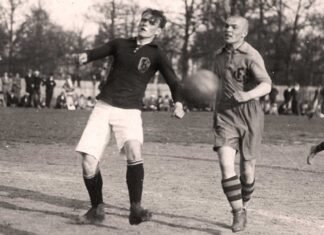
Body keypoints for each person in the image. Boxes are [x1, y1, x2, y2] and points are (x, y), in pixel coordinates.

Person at [73, 8, 185, 225]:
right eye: (143, 20)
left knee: (134, 151)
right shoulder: (120, 44)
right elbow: (97, 51)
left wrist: (178, 103)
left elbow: (173, 81)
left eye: (152, 22)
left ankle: (135, 208)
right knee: (88, 162)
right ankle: (97, 208)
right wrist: (85, 56)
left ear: (158, 30)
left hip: (130, 111)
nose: (145, 24)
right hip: (104, 107)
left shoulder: (157, 55)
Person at [212, 16, 272, 232]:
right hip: (225, 116)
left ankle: (244, 205)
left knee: (247, 171)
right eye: (226, 25)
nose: (228, 29)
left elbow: (267, 85)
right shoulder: (218, 56)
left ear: (243, 33)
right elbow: (213, 84)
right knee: (225, 163)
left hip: (250, 116)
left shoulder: (251, 55)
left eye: (233, 27)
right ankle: (237, 213)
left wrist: (247, 95)